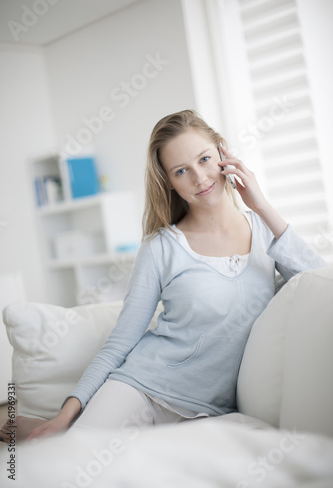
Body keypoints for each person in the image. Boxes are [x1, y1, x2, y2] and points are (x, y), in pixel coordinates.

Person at [0, 109, 328, 443]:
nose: (199, 178)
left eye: (204, 159)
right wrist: (63, 416)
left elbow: (319, 283)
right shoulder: (160, 247)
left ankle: (49, 431)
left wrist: (261, 205)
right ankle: (57, 429)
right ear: (169, 182)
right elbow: (120, 343)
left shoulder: (265, 232)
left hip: (209, 412)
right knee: (75, 456)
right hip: (142, 386)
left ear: (223, 154)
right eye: (181, 171)